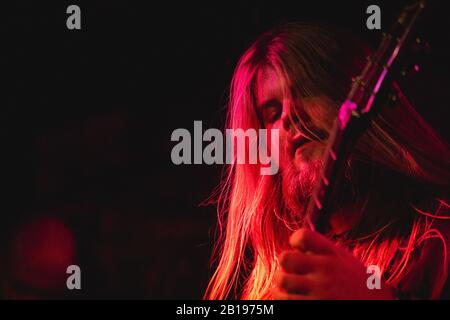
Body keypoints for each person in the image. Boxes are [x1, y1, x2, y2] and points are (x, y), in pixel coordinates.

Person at [204, 23, 450, 300]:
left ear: (350, 90)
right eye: (272, 113)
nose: (289, 116)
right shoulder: (276, 285)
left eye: (307, 91)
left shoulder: (440, 233)